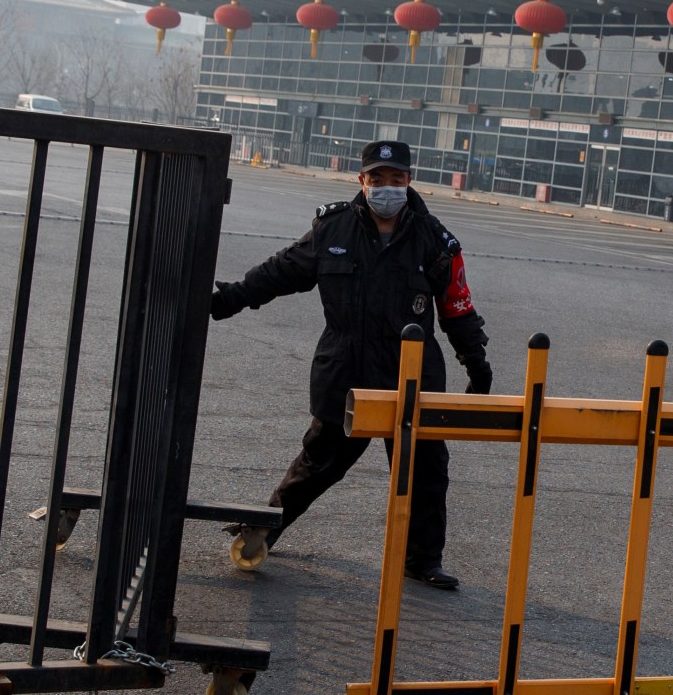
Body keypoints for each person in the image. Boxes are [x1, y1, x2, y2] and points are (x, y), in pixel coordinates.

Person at [209, 139, 491, 589]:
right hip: (347, 372)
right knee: (318, 464)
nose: (387, 188)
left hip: (411, 376)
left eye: (395, 180)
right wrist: (230, 299)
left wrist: (476, 365)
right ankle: (261, 531)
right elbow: (278, 273)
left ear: (409, 181)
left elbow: (457, 306)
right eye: (377, 179)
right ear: (361, 181)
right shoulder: (332, 230)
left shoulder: (435, 240)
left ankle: (423, 561)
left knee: (425, 472)